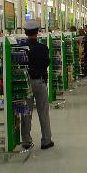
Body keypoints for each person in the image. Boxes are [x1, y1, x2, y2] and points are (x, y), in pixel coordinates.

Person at [20, 20, 53, 150]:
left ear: (25, 32)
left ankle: (26, 141)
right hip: (39, 82)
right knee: (43, 111)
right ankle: (46, 141)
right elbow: (46, 63)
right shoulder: (43, 48)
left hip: (25, 84)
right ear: (38, 32)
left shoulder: (21, 48)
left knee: (26, 112)